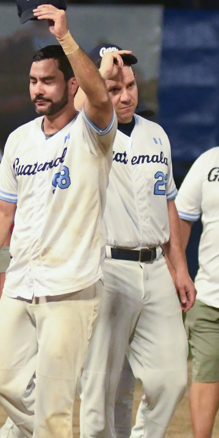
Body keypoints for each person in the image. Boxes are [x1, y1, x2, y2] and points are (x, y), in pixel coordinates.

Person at [0, 0, 117, 437]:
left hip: (71, 287)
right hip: (22, 282)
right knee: (3, 383)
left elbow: (100, 98)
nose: (37, 89)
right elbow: (0, 211)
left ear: (71, 85)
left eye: (48, 80)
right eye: (33, 81)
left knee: (53, 405)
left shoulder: (92, 132)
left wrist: (66, 38)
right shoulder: (20, 139)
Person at [76, 46, 195, 437]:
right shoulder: (86, 133)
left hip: (156, 267)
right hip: (107, 267)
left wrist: (180, 268)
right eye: (114, 89)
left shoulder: (155, 134)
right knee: (100, 391)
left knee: (171, 380)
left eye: (130, 85)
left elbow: (168, 201)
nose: (126, 96)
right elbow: (83, 104)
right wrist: (99, 75)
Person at [175, 146, 219, 438]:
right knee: (205, 374)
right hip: (209, 295)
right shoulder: (209, 161)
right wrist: (178, 270)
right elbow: (180, 216)